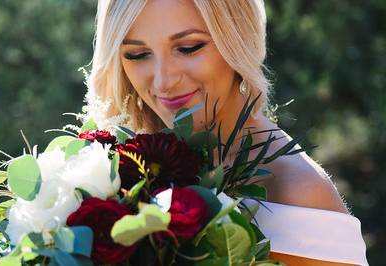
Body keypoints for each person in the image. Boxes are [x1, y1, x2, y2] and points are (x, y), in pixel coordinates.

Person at [85, 0, 369, 265]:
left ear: (237, 37)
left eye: (188, 48)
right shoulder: (121, 171)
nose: (163, 81)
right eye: (137, 54)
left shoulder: (299, 193)